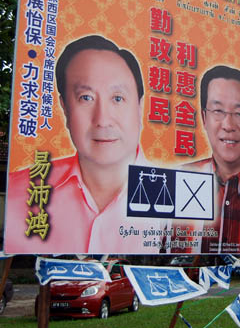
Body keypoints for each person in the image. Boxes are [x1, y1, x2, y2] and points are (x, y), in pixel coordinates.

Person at [5, 35, 161, 254]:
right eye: (86, 98)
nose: (103, 119)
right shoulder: (20, 192)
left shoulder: (175, 195)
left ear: (139, 107)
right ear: (65, 107)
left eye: (117, 98)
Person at [170, 65, 240, 254]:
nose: (228, 125)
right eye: (218, 111)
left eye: (239, 114)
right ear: (204, 118)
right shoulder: (176, 181)